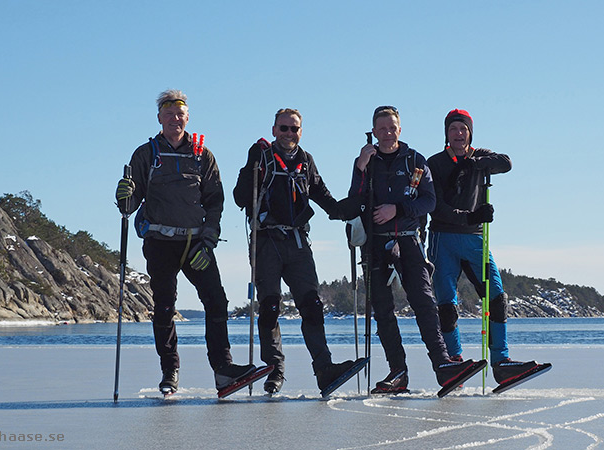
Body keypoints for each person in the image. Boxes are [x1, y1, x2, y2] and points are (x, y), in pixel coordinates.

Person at [115, 90, 255, 395]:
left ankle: (223, 371)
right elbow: (130, 204)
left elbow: (215, 203)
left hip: (196, 245)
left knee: (216, 302)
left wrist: (209, 241)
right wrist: (123, 196)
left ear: (187, 117)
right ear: (159, 119)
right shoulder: (145, 154)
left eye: (180, 113)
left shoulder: (202, 155)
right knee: (164, 307)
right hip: (160, 243)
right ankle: (170, 371)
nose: (175, 119)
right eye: (169, 114)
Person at [348, 106, 481, 394]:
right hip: (375, 245)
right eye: (381, 128)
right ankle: (398, 373)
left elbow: (429, 201)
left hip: (408, 240)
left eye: (391, 127)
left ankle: (443, 366)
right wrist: (360, 167)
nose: (386, 133)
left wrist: (396, 209)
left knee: (424, 303)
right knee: (382, 311)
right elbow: (353, 202)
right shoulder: (365, 162)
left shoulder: (414, 160)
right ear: (374, 131)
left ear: (399, 129)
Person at [233, 108, 362, 395]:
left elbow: (326, 200)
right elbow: (240, 198)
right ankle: (274, 371)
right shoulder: (261, 157)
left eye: (294, 129)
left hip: (298, 243)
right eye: (284, 128)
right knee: (269, 307)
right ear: (274, 129)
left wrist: (359, 204)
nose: (289, 134)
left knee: (312, 306)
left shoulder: (306, 161)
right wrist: (251, 164)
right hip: (266, 241)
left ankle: (325, 368)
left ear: (301, 132)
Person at [426, 108, 548, 385]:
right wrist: (470, 216)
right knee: (447, 303)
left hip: (475, 239)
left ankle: (502, 361)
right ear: (446, 133)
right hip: (443, 238)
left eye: (463, 129)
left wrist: (476, 164)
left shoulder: (479, 156)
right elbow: (436, 207)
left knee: (496, 297)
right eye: (453, 129)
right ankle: (453, 361)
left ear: (470, 133)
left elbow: (506, 163)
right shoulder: (435, 163)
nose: (459, 134)